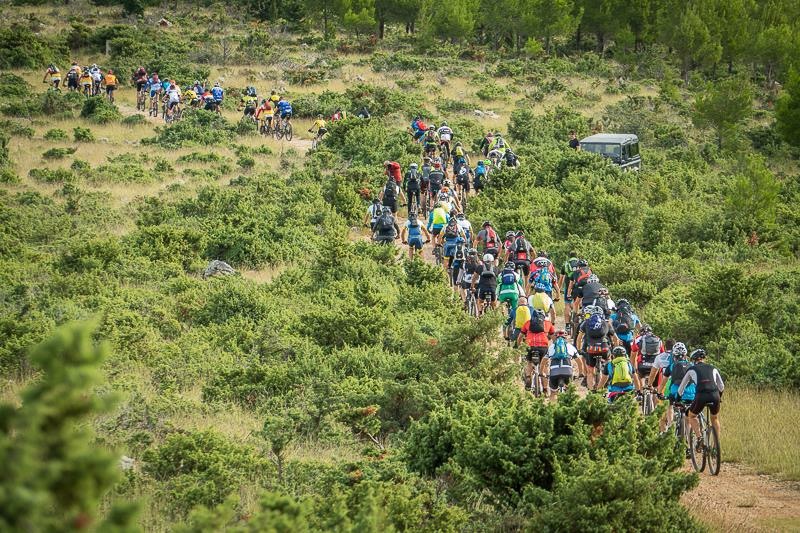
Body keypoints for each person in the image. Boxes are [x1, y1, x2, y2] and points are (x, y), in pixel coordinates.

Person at [679, 348, 725, 446]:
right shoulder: (713, 368)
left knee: (692, 416)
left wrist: (678, 399)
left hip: (701, 395)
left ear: (693, 360)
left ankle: (700, 438)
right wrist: (719, 397)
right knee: (714, 418)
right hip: (714, 395)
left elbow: (681, 388)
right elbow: (721, 386)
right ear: (704, 359)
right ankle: (716, 446)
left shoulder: (691, 369)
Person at [518, 308, 555, 393]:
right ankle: (545, 389)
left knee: (529, 362)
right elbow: (554, 339)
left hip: (530, 346)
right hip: (543, 347)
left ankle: (528, 377)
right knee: (544, 366)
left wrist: (520, 346)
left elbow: (520, 337)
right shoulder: (548, 324)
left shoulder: (528, 323)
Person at [577, 306, 613, 390]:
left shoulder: (586, 322)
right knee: (609, 360)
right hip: (604, 349)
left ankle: (590, 391)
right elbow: (615, 338)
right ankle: (607, 379)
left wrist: (579, 349)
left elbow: (579, 338)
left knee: (590, 371)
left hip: (591, 349)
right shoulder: (606, 323)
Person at [659, 342, 691, 431]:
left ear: (674, 356)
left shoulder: (671, 366)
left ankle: (670, 424)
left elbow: (663, 383)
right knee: (690, 414)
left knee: (670, 404)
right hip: (691, 394)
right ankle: (691, 437)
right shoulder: (691, 366)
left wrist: (659, 393)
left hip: (676, 394)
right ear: (685, 355)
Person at [542, 330, 577, 400]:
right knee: (570, 391)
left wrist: (541, 372)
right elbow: (579, 361)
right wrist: (581, 373)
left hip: (554, 372)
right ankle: (569, 407)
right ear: (566, 338)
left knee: (553, 393)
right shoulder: (570, 347)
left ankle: (553, 409)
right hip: (567, 371)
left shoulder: (551, 347)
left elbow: (543, 361)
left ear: (555, 337)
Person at [497, 261, 524, 329]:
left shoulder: (501, 274)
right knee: (515, 309)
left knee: (502, 304)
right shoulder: (515, 274)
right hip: (514, 294)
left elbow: (498, 282)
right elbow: (521, 283)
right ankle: (515, 322)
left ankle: (503, 316)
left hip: (503, 294)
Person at [560, 252, 579, 330]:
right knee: (577, 304)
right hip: (578, 286)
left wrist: (559, 289)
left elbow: (561, 278)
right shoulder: (579, 263)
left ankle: (567, 325)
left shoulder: (566, 264)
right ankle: (577, 320)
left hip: (568, 286)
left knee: (567, 304)